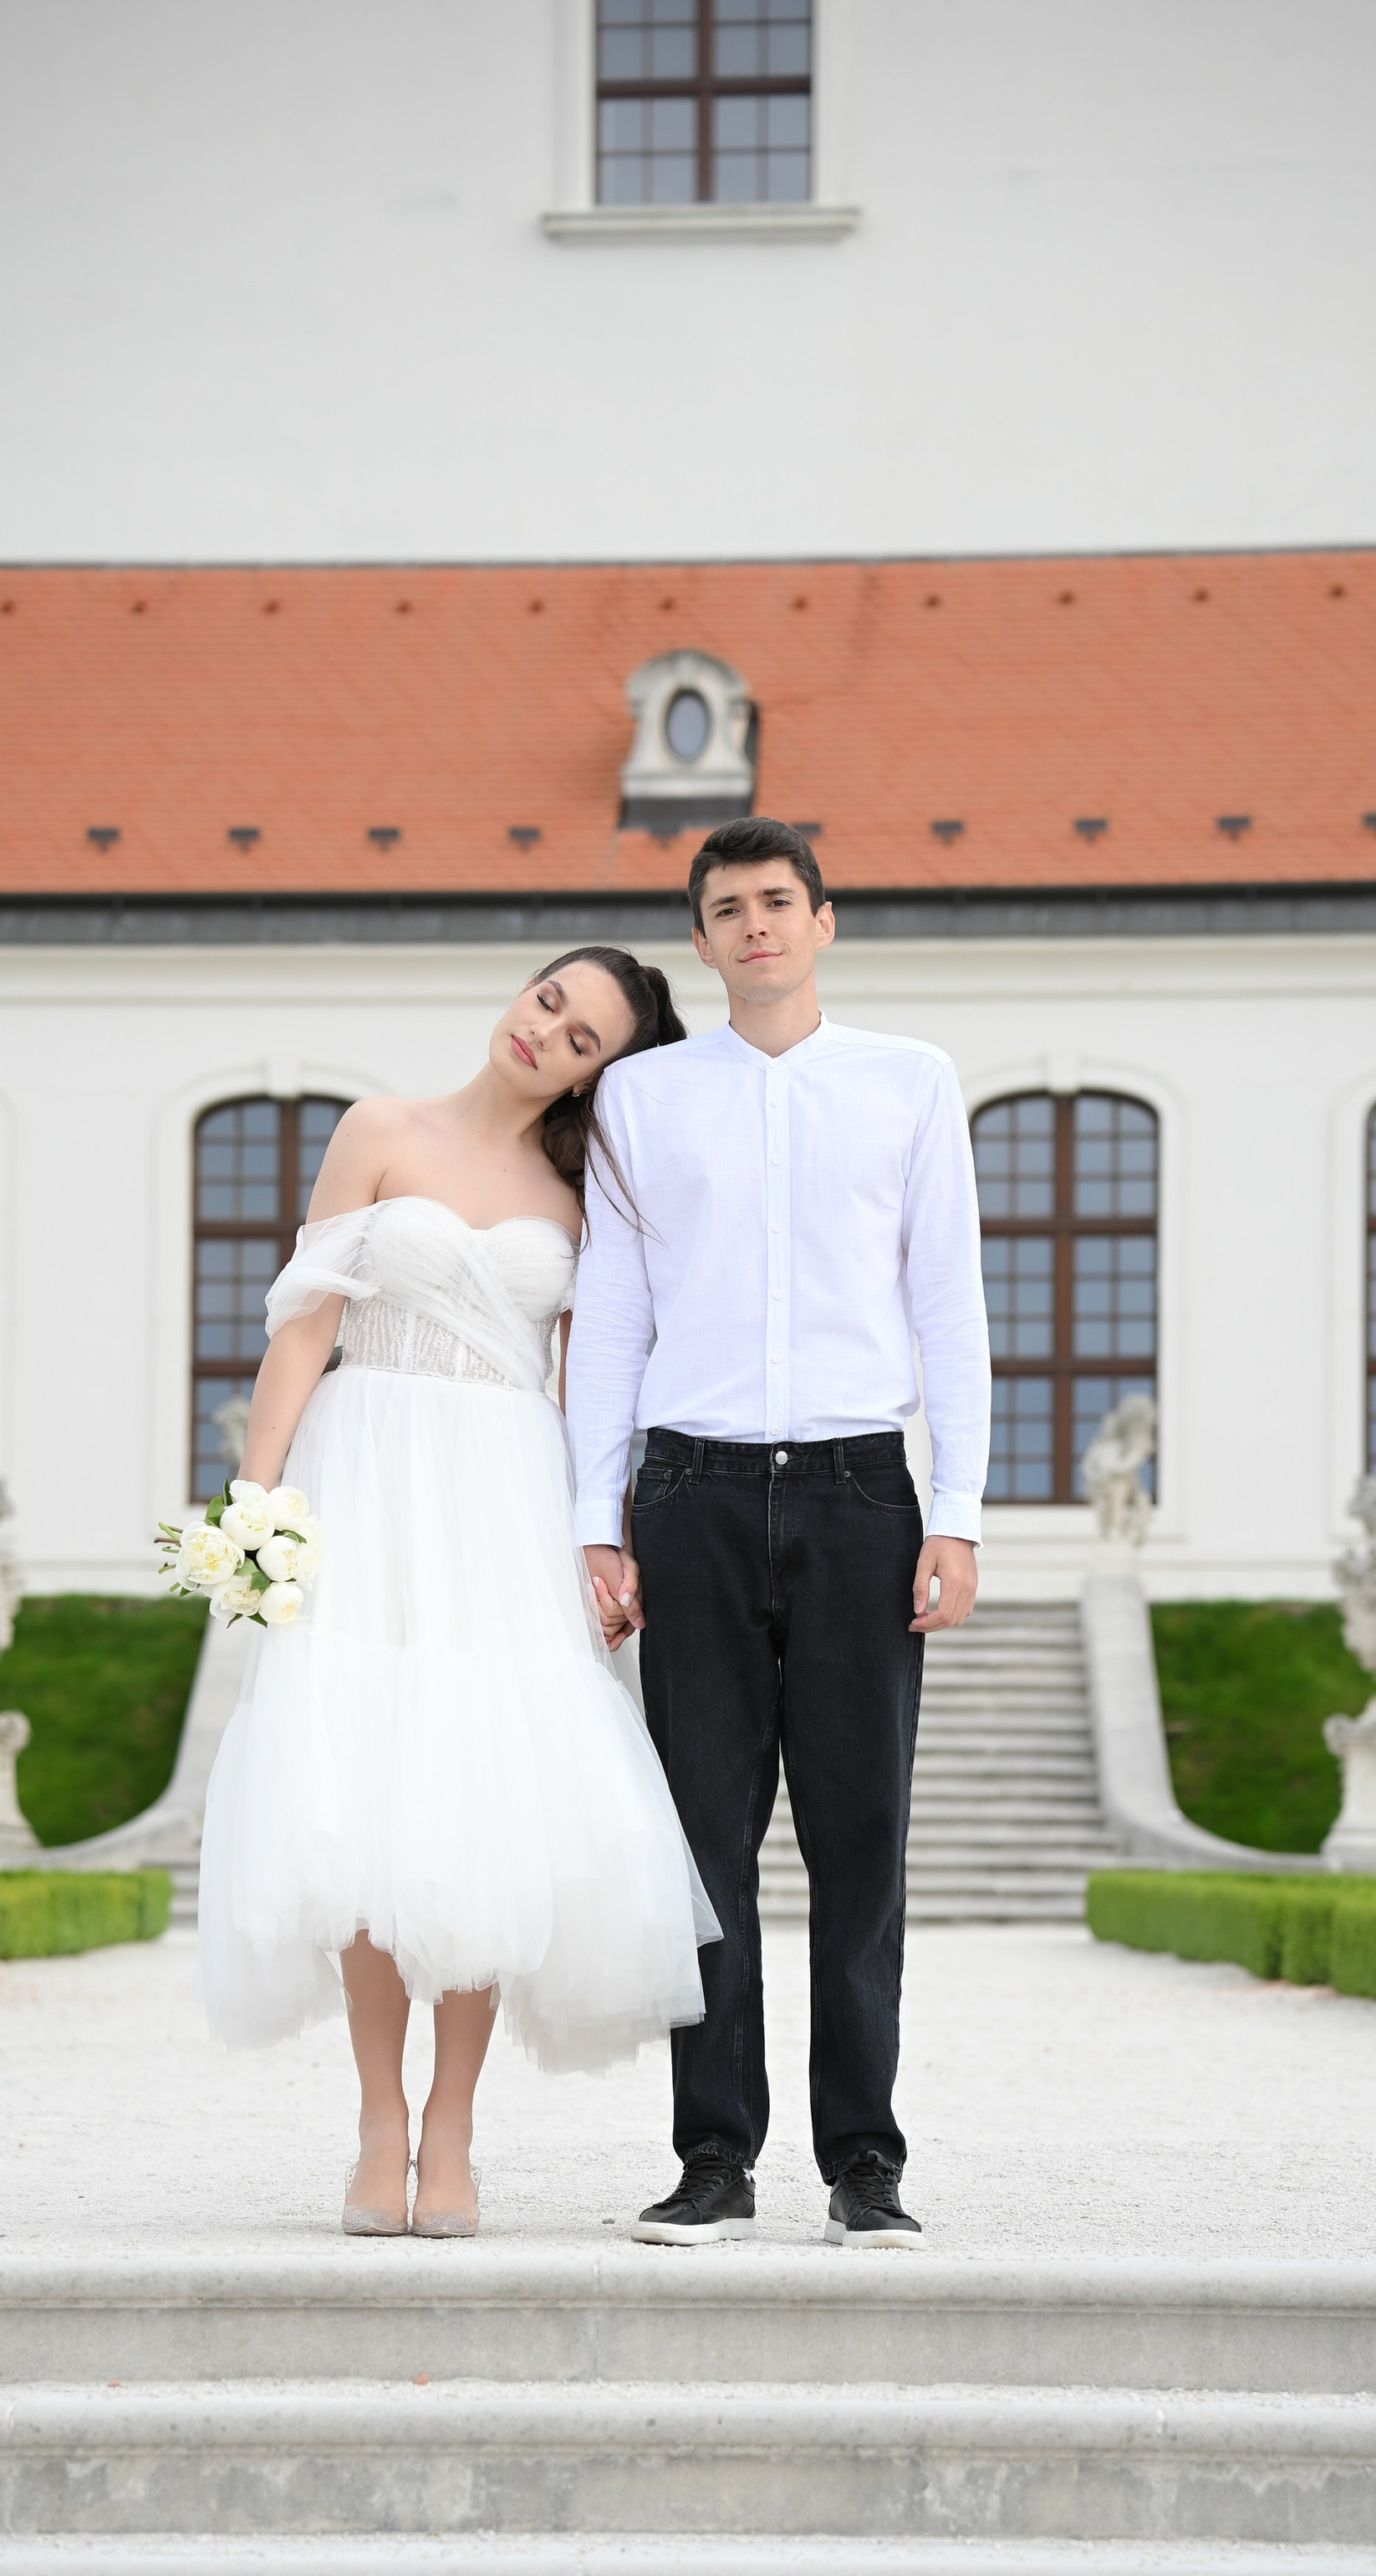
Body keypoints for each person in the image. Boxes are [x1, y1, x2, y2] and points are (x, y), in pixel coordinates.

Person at [196, 950, 716, 2238]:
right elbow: (304, 1329)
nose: (549, 1033)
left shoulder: (586, 1195)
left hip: (501, 1496)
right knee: (358, 1800)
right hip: (362, 1477)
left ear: (603, 1071)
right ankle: (380, 2121)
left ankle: (457, 2129)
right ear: (521, 995)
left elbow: (591, 1388)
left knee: (487, 1805)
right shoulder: (380, 1130)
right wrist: (253, 1515)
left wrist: (605, 1536)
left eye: (584, 1036)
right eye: (550, 1001)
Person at [567, 819, 991, 2249]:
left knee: (863, 1840)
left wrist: (964, 1510)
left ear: (823, 920)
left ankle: (865, 2164)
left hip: (863, 1495)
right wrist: (596, 1518)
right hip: (687, 1493)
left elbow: (950, 1304)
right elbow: (614, 1318)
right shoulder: (641, 1098)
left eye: (775, 902)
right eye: (725, 909)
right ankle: (714, 2158)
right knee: (702, 1844)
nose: (753, 926)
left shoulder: (909, 1085)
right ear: (699, 940)